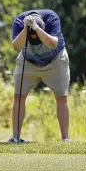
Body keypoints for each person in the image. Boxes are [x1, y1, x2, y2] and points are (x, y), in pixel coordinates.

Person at [10, 9, 70, 143]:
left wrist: (36, 28)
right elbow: (15, 47)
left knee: (61, 97)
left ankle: (65, 139)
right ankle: (16, 137)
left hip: (55, 60)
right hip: (28, 61)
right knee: (18, 96)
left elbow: (52, 43)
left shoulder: (52, 18)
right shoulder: (20, 22)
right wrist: (26, 29)